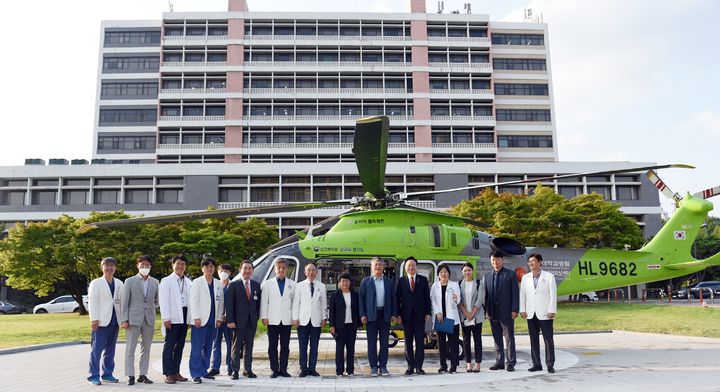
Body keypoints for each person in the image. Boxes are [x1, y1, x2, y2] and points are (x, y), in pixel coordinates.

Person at [120, 255, 159, 385]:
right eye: (142, 265)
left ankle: (143, 374)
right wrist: (124, 319)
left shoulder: (155, 282)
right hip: (133, 319)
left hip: (149, 319)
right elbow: (124, 302)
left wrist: (153, 308)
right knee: (130, 348)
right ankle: (130, 375)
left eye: (147, 265)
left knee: (146, 349)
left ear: (150, 267)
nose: (145, 267)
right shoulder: (129, 281)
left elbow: (157, 300)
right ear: (137, 266)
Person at [87, 257, 124, 385]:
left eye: (112, 265)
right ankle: (93, 376)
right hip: (101, 321)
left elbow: (121, 303)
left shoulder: (119, 283)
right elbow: (92, 302)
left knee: (110, 350)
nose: (109, 268)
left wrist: (123, 319)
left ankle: (107, 374)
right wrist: (94, 319)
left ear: (115, 268)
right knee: (96, 350)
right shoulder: (96, 283)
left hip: (115, 320)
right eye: (106, 265)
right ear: (102, 267)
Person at [359, 256, 397, 377]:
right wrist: (362, 314)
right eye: (375, 264)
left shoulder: (388, 282)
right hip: (371, 316)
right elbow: (361, 300)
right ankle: (374, 366)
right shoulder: (365, 282)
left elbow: (393, 299)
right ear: (371, 266)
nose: (378, 267)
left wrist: (394, 314)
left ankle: (383, 366)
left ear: (383, 267)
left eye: (380, 264)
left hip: (385, 315)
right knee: (372, 342)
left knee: (384, 342)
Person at [519, 253, 557, 373]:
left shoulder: (549, 276)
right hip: (531, 313)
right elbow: (522, 295)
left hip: (545, 313)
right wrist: (522, 309)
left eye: (533, 261)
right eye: (529, 261)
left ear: (540, 262)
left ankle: (550, 364)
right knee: (533, 340)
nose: (531, 263)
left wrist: (552, 310)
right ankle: (536, 364)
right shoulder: (525, 277)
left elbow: (553, 295)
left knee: (548, 340)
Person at [189, 257, 224, 384]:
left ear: (214, 269)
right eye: (207, 266)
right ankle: (195, 373)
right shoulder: (197, 282)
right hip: (200, 320)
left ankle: (204, 371)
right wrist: (196, 317)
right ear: (202, 268)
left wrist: (219, 317)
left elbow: (221, 302)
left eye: (212, 267)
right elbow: (193, 301)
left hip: (213, 320)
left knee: (208, 347)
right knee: (197, 347)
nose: (209, 269)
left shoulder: (218, 283)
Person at [159, 254, 193, 384]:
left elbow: (191, 302)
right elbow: (163, 300)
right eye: (178, 264)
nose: (180, 266)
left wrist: (189, 319)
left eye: (183, 264)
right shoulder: (166, 281)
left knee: (180, 345)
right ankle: (168, 373)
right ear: (173, 265)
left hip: (185, 315)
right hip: (172, 317)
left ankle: (176, 371)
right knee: (170, 345)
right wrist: (166, 318)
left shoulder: (189, 281)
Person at [395, 256, 431, 375]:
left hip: (420, 316)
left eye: (413, 265)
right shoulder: (401, 281)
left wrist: (428, 312)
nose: (411, 267)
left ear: (416, 267)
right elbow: (397, 299)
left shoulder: (423, 280)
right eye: (408, 265)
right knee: (408, 342)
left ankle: (419, 366)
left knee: (420, 342)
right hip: (406, 316)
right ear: (405, 268)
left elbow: (427, 298)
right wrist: (398, 314)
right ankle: (410, 366)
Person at [484, 250, 519, 372]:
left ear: (502, 260)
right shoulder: (487, 275)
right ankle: (499, 362)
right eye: (493, 260)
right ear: (491, 261)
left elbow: (515, 294)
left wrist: (515, 309)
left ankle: (510, 363)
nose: (495, 262)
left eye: (498, 259)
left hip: (507, 312)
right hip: (492, 312)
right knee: (497, 338)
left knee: (509, 338)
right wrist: (485, 311)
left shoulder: (510, 274)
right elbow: (486, 295)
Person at [225, 260, 261, 379]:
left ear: (252, 270)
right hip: (237, 322)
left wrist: (256, 318)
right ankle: (235, 370)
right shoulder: (234, 285)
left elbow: (258, 304)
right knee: (236, 347)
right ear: (241, 270)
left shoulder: (256, 285)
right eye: (245, 268)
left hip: (251, 322)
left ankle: (248, 369)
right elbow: (229, 304)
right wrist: (230, 320)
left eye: (249, 268)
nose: (247, 271)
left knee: (249, 347)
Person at [260, 258, 295, 378]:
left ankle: (284, 369)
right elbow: (264, 302)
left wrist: (294, 318)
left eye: (283, 268)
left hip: (286, 319)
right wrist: (264, 316)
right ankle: (274, 369)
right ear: (275, 269)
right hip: (272, 319)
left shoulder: (292, 284)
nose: (281, 270)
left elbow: (294, 303)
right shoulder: (267, 284)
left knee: (285, 346)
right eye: (279, 267)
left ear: (287, 269)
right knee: (272, 346)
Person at [292, 262, 327, 377]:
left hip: (316, 320)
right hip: (302, 321)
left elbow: (323, 304)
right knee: (303, 346)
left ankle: (312, 368)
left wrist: (324, 317)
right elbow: (296, 303)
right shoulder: (299, 286)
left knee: (314, 346)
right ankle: (303, 368)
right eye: (309, 270)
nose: (311, 272)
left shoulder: (322, 286)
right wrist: (295, 318)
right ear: (305, 272)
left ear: (317, 272)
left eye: (313, 270)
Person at [430, 264, 461, 373]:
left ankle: (454, 365)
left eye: (445, 272)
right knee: (441, 343)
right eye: (441, 272)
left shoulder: (455, 285)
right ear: (438, 275)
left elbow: (458, 300)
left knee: (453, 343)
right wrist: (438, 312)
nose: (443, 274)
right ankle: (443, 365)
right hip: (440, 319)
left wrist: (455, 299)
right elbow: (432, 300)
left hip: (452, 318)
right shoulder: (435, 286)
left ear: (449, 273)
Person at [329, 273, 360, 376]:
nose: (345, 283)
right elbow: (332, 312)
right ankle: (339, 371)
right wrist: (332, 325)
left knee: (351, 349)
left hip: (351, 326)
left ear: (350, 282)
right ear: (339, 283)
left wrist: (359, 323)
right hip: (339, 326)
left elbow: (357, 310)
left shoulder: (355, 295)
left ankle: (350, 370)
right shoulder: (334, 295)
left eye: (347, 281)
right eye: (343, 281)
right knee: (339, 349)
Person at [458, 262, 485, 373]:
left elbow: (479, 300)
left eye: (469, 270)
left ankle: (477, 364)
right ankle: (469, 364)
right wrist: (466, 314)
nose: (467, 272)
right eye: (465, 270)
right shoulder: (459, 284)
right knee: (466, 341)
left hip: (476, 317)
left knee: (477, 340)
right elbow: (459, 301)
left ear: (472, 271)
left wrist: (472, 313)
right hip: (464, 317)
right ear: (462, 272)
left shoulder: (479, 283)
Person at [209, 263, 234, 377]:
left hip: (228, 320)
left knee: (230, 344)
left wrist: (228, 315)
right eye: (221, 271)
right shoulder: (214, 285)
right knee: (216, 344)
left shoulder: (233, 286)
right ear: (217, 272)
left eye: (227, 271)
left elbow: (235, 304)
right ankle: (215, 367)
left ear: (230, 273)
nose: (224, 273)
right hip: (216, 320)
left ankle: (231, 366)